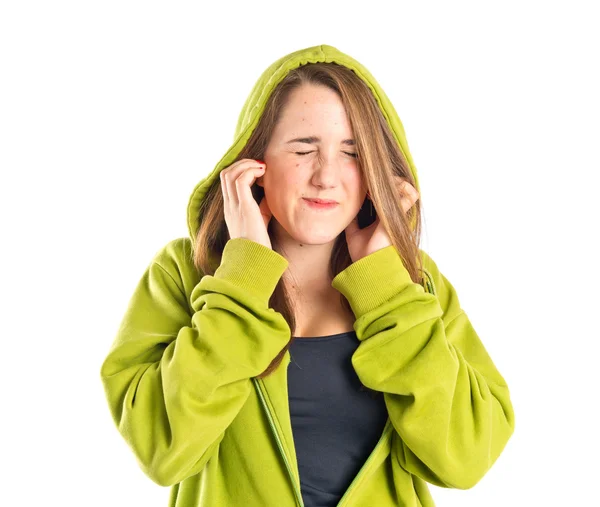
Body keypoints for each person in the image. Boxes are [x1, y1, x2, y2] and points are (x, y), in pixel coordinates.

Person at [99, 44, 515, 507]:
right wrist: (243, 278)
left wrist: (384, 288)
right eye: (303, 148)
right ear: (253, 162)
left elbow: (466, 457)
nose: (326, 176)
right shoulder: (185, 272)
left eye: (352, 153)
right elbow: (162, 450)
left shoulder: (413, 284)